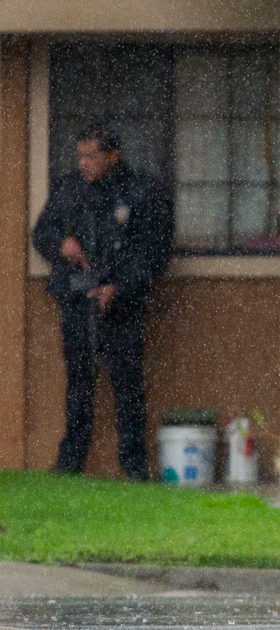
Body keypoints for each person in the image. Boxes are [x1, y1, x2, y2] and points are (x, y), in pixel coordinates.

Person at [32, 124, 173, 481]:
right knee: (79, 380)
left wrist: (119, 286)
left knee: (127, 384)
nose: (84, 163)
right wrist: (60, 247)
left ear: (113, 156)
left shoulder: (141, 191)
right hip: (77, 300)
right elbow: (42, 232)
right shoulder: (69, 188)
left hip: (120, 304)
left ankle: (135, 465)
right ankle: (71, 462)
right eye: (80, 155)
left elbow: (154, 251)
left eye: (91, 155)